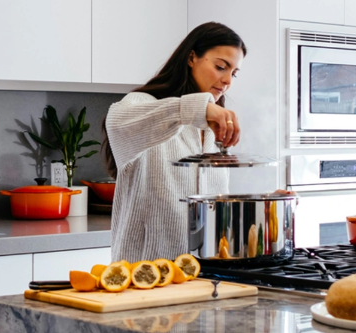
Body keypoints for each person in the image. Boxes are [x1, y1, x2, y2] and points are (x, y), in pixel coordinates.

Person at [102, 22, 247, 263]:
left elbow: (213, 210)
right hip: (144, 278)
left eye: (233, 73)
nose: (227, 80)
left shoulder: (212, 130)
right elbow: (117, 121)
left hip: (204, 277)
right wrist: (197, 108)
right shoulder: (141, 104)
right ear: (192, 58)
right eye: (221, 67)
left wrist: (265, 206)